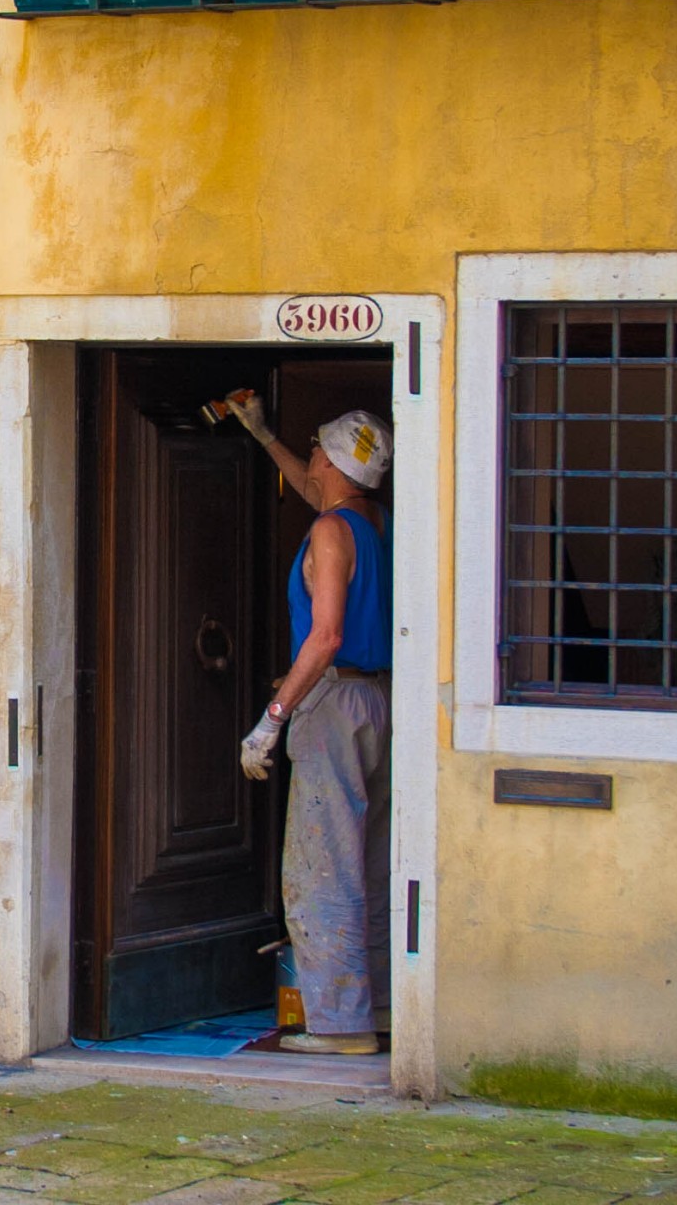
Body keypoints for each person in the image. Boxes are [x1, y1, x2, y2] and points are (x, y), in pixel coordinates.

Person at [228, 396, 392, 1057]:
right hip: (377, 703)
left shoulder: (327, 533)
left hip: (330, 703)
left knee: (324, 865)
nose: (311, 463)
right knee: (371, 860)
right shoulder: (369, 519)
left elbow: (324, 637)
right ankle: (375, 1008)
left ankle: (337, 1024)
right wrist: (265, 434)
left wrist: (273, 717)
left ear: (327, 455)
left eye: (315, 452)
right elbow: (312, 488)